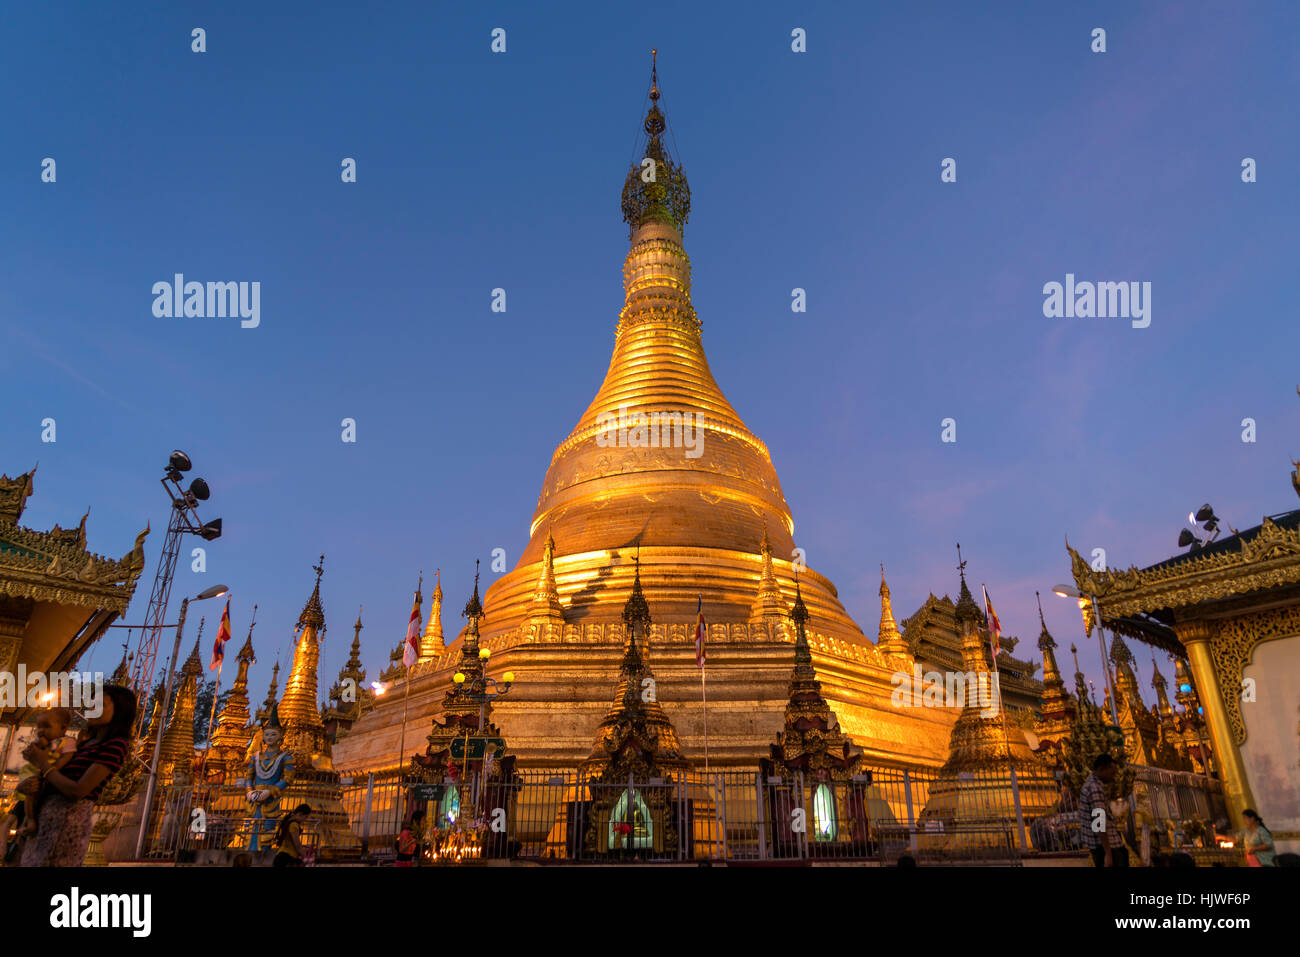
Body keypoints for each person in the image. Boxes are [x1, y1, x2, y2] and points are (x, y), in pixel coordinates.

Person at [20, 685, 135, 867]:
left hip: (67, 824)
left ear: (120, 712)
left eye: (100, 704)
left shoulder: (115, 746)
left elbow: (78, 791)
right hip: (44, 819)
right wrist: (30, 784)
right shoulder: (82, 744)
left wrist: (43, 764)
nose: (92, 707)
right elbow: (54, 778)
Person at [1080, 753, 1128, 868]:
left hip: (1105, 845)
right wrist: (1108, 854)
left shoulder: (1093, 785)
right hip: (1105, 846)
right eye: (1112, 773)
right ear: (1102, 769)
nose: (1113, 777)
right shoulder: (1094, 788)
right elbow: (1099, 822)